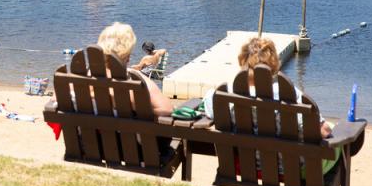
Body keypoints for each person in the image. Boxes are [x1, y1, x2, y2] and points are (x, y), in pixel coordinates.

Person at [203, 37, 333, 139]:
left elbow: (209, 105)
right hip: (290, 168)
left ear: (242, 61)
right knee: (338, 150)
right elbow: (324, 131)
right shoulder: (289, 94)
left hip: (246, 164)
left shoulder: (227, 94)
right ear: (274, 63)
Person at [96, 23, 173, 117]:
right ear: (127, 57)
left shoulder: (85, 77)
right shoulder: (136, 78)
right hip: (128, 130)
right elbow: (167, 109)